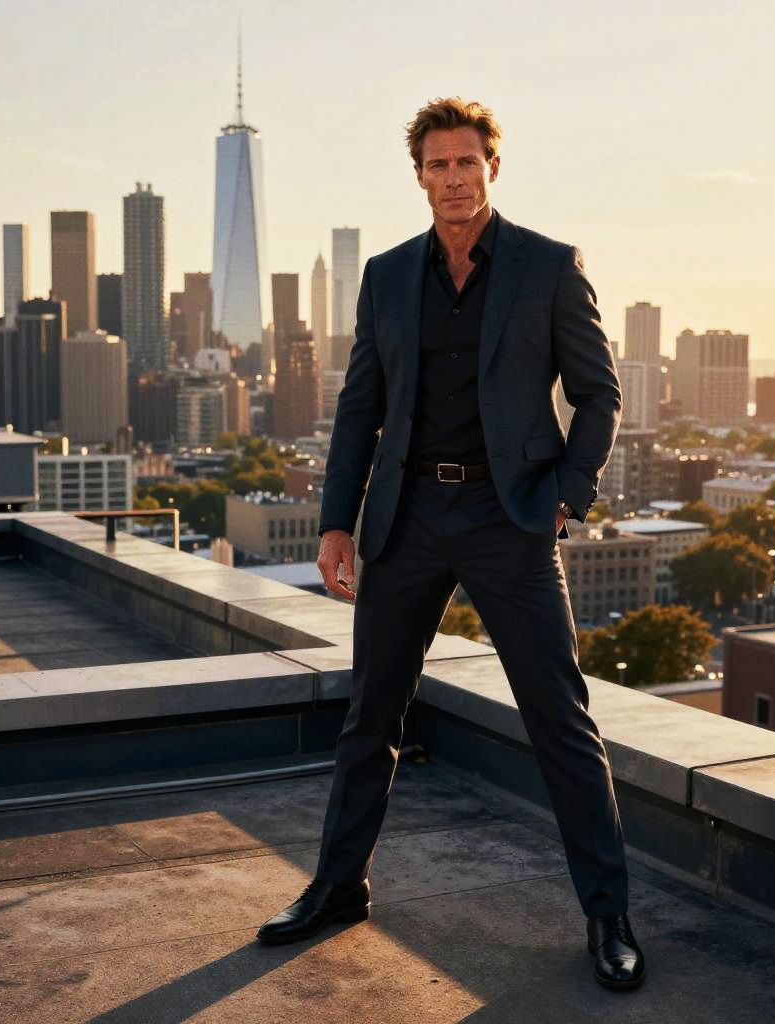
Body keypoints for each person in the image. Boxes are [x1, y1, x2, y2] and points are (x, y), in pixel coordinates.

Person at [257, 97, 645, 991]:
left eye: (467, 162)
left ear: (492, 168)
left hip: (510, 521)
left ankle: (608, 914)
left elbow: (600, 396)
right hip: (407, 517)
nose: (453, 179)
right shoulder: (389, 276)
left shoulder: (549, 267)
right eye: (437, 165)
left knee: (560, 720)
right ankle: (338, 886)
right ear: (420, 175)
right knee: (372, 715)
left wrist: (564, 500)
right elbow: (361, 404)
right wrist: (335, 521)